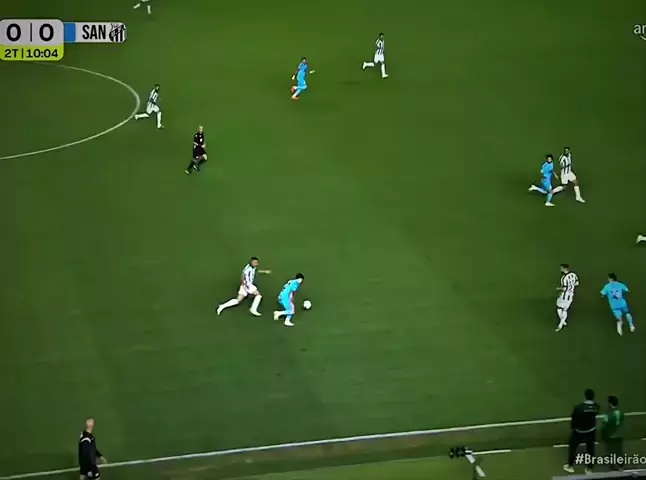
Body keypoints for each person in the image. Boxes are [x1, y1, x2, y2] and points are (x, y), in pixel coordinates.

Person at [563, 389, 600, 474]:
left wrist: (573, 428)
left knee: (573, 447)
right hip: (590, 432)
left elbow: (573, 418)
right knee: (591, 449)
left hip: (578, 432)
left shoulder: (578, 407)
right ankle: (589, 468)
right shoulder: (596, 407)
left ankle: (570, 466)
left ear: (585, 396)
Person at [601, 395, 624, 470]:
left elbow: (604, 424)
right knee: (619, 451)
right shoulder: (621, 413)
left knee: (611, 451)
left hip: (611, 436)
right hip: (619, 435)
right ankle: (621, 466)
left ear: (610, 404)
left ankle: (613, 467)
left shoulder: (608, 415)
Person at [555, 264, 579, 332]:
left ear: (564, 269)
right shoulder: (573, 275)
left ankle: (561, 323)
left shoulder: (564, 278)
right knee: (565, 310)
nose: (560, 269)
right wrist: (571, 286)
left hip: (564, 296)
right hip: (571, 295)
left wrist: (558, 288)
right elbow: (577, 283)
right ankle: (563, 322)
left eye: (561, 268)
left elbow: (564, 289)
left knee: (559, 308)